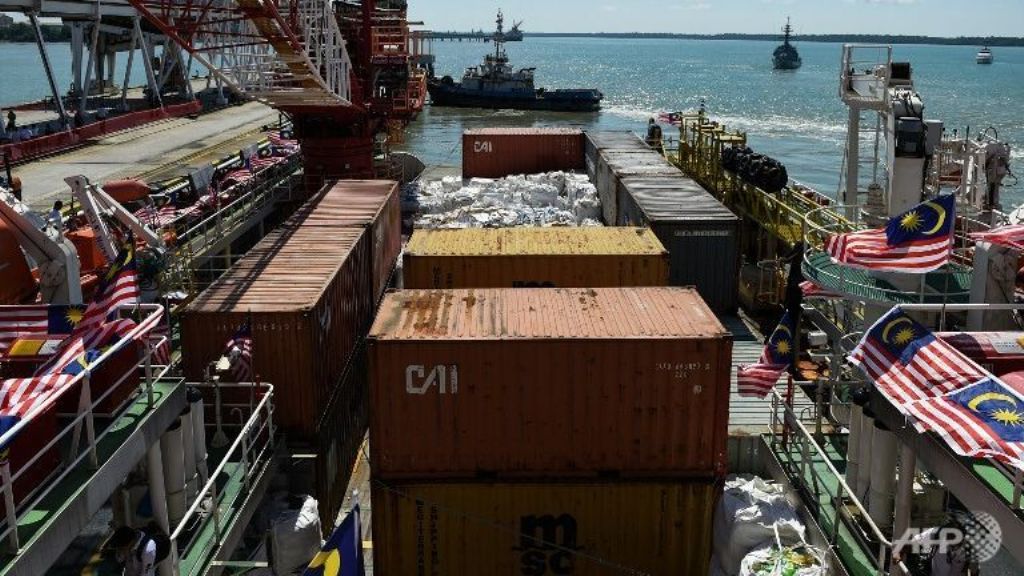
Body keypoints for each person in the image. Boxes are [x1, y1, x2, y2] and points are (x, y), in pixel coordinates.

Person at [892, 517, 981, 576]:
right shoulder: (936, 534)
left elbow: (974, 571)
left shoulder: (968, 549)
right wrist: (898, 552)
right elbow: (912, 544)